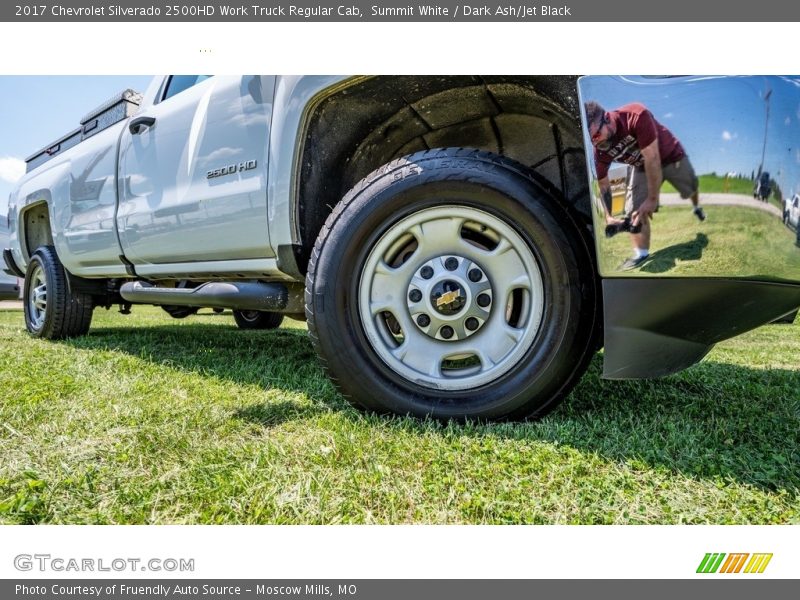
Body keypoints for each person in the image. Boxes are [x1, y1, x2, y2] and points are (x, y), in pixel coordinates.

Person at [585, 101, 706, 270]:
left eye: (597, 136)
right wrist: (608, 216)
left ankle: (696, 206)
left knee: (691, 188)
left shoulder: (635, 115)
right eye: (591, 140)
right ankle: (641, 253)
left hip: (670, 155)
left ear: (607, 118)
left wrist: (652, 198)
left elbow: (653, 158)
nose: (596, 144)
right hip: (641, 165)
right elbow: (604, 185)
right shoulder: (599, 149)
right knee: (634, 210)